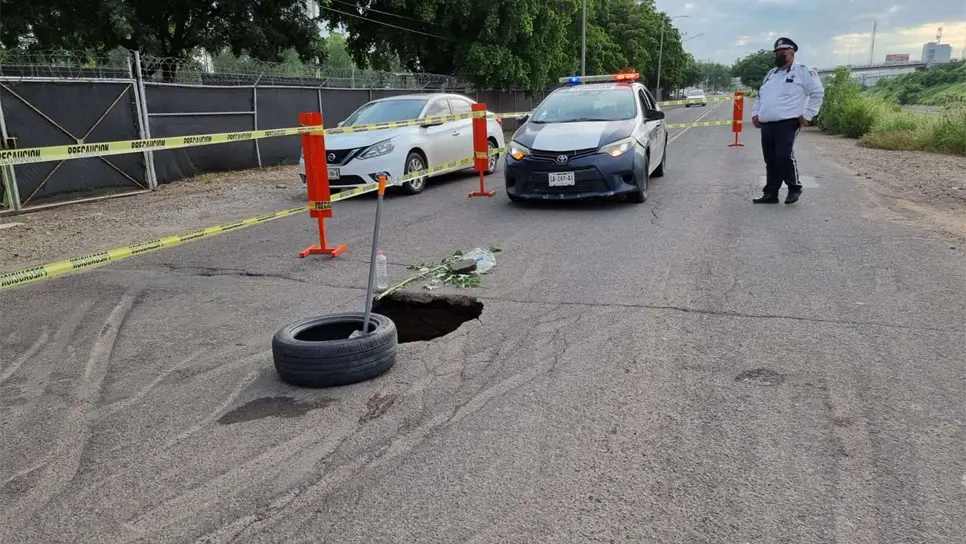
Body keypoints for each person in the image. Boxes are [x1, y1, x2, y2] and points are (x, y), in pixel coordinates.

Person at [751, 37, 825, 204]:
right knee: (770, 160)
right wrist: (755, 114)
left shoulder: (803, 71)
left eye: (783, 53)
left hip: (788, 122)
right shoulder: (771, 74)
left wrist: (807, 115)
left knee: (784, 156)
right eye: (777, 53)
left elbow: (817, 93)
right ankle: (771, 193)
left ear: (792, 53)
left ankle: (794, 187)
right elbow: (760, 97)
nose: (779, 55)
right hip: (767, 123)